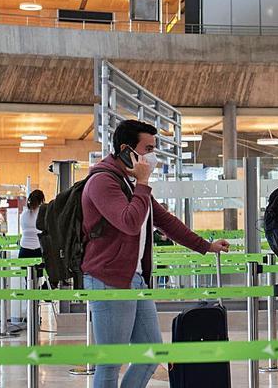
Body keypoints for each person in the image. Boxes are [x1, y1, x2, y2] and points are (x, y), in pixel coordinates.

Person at [81, 120, 230, 388]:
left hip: (135, 279)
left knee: (151, 354)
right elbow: (129, 221)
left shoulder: (131, 184)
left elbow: (166, 221)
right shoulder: (103, 181)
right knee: (111, 362)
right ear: (127, 149)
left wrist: (205, 246)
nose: (153, 155)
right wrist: (143, 182)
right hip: (109, 279)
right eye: (148, 148)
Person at [18, 190, 45, 259]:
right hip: (38, 249)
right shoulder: (42, 212)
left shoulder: (23, 214)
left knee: (23, 270)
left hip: (24, 250)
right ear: (41, 200)